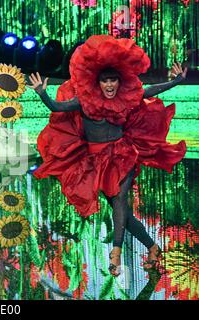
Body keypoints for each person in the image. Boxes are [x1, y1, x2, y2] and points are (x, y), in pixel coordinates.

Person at [28, 35, 187, 276]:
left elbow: (151, 89)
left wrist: (177, 81)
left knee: (121, 201)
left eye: (113, 80)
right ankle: (153, 247)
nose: (110, 85)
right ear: (98, 83)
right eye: (105, 81)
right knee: (120, 210)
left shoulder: (126, 97)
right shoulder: (84, 101)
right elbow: (57, 108)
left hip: (122, 154)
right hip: (95, 161)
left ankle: (116, 253)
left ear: (119, 81)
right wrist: (42, 93)